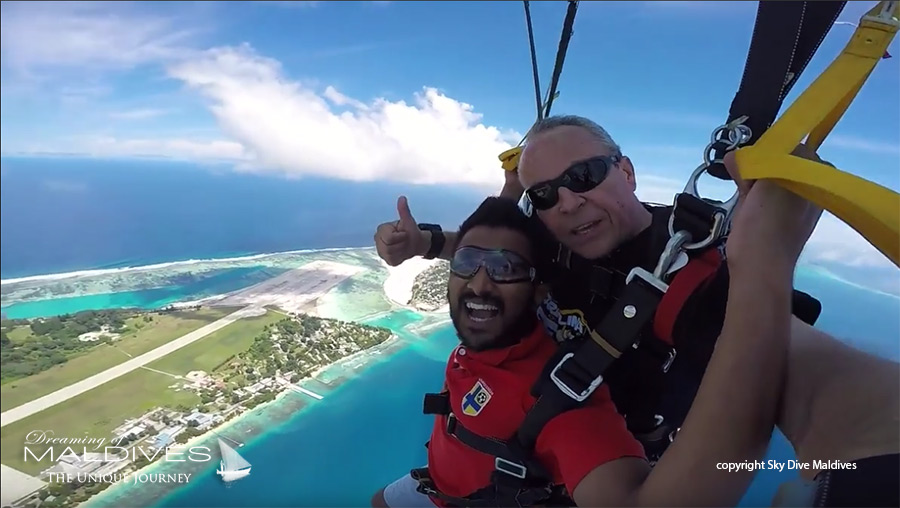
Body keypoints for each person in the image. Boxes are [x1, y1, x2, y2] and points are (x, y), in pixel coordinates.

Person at [373, 115, 899, 506]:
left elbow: (815, 376)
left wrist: (873, 462)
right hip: (500, 453)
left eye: (584, 176)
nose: (569, 203)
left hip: (587, 463)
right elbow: (499, 251)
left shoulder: (684, 274)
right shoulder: (558, 241)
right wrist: (426, 242)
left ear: (626, 171)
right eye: (547, 195)